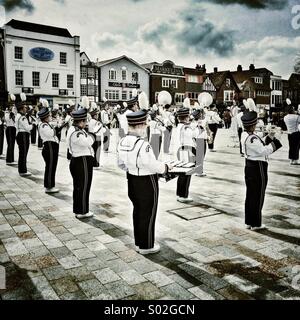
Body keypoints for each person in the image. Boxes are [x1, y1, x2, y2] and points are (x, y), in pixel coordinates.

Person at [117, 110, 172, 255]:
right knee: (148, 212)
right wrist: (166, 167)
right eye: (144, 124)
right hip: (147, 182)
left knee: (137, 211)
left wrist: (133, 168)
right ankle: (147, 245)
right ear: (140, 125)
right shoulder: (143, 144)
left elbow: (120, 164)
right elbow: (153, 165)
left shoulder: (122, 141)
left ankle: (139, 242)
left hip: (132, 180)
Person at [241, 110, 282, 231]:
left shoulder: (245, 135)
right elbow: (263, 150)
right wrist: (277, 141)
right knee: (258, 195)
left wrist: (270, 136)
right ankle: (256, 223)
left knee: (250, 195)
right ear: (253, 125)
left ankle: (249, 221)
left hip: (249, 166)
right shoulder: (252, 137)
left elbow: (259, 142)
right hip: (258, 167)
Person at [67, 108, 95, 219]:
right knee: (83, 186)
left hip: (79, 160)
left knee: (79, 186)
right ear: (81, 121)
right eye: (85, 121)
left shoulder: (74, 129)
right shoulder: (76, 132)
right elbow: (88, 142)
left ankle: (79, 209)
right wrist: (92, 134)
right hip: (81, 160)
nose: (86, 123)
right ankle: (82, 211)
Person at [175, 108, 197, 203]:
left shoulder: (179, 126)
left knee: (182, 174)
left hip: (182, 151)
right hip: (188, 151)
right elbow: (194, 134)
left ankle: (180, 194)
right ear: (186, 117)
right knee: (187, 174)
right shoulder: (186, 128)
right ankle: (183, 195)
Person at [37, 107, 60, 194]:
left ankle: (50, 185)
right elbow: (50, 133)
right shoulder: (43, 125)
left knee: (52, 166)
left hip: (52, 146)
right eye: (49, 115)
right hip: (49, 146)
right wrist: (56, 128)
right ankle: (49, 186)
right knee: (50, 167)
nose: (50, 117)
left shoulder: (46, 124)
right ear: (46, 117)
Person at [15, 101, 32, 176]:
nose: (26, 108)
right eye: (25, 107)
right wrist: (33, 125)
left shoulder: (18, 115)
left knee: (22, 153)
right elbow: (27, 128)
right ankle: (23, 171)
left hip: (20, 134)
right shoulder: (22, 117)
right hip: (23, 135)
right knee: (23, 153)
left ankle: (21, 169)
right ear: (21, 109)